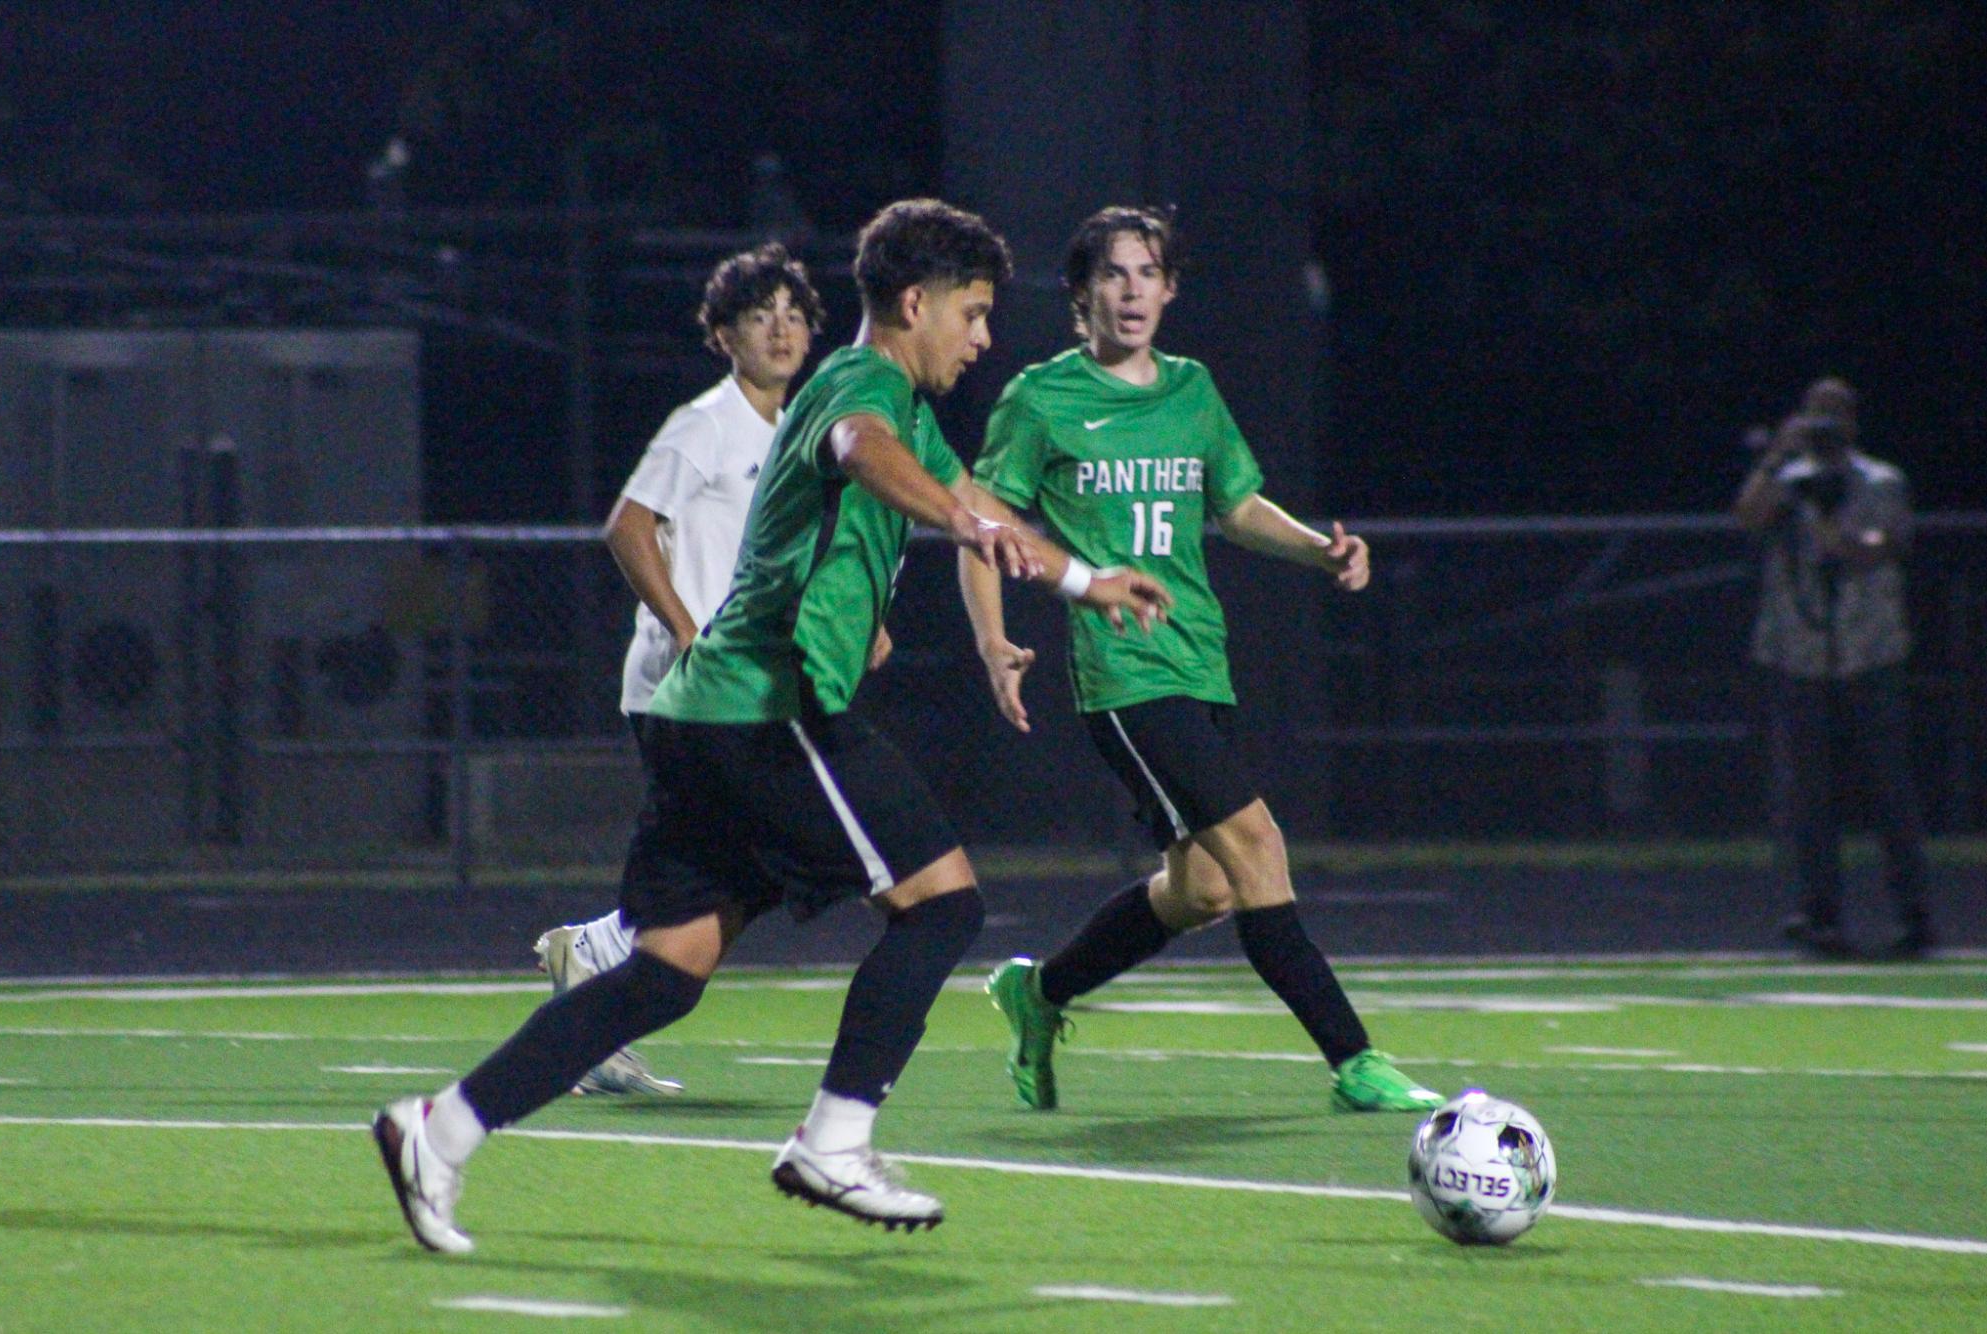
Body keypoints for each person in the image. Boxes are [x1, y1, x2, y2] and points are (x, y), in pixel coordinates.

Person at [373, 198, 1173, 1253]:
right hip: (769, 705)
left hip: (708, 715)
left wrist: (1076, 575)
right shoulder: (858, 384)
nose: (982, 338)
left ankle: (440, 1130)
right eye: (972, 314)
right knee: (943, 905)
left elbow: (967, 488)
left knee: (664, 970)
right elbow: (864, 451)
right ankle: (834, 1141)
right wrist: (951, 517)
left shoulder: (900, 401)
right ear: (913, 303)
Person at [959, 205, 1441, 1116]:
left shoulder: (1191, 390)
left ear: (1171, 289)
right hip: (1123, 673)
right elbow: (981, 523)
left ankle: (1042, 991)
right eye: (1112, 274)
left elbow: (1238, 503)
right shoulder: (1041, 399)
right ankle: (1353, 1060)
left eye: (1148, 273)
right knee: (1259, 846)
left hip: (1198, 660)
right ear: (1080, 293)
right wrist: (993, 639)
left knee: (1205, 888)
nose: (1131, 290)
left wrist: (1318, 550)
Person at [532, 242, 826, 1098]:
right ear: (723, 333)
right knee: (762, 851)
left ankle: (601, 969)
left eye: (793, 314)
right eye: (758, 314)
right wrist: (686, 627)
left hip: (744, 690)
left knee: (743, 862)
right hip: (682, 688)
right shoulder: (706, 422)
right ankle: (603, 958)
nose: (779, 329)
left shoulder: (793, 433)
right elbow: (629, 526)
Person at [1734, 376, 1932, 960]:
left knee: (1888, 788)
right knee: (1808, 797)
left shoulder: (1880, 481)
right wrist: (1778, 459)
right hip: (1801, 654)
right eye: (1815, 416)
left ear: (1853, 423)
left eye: (1834, 418)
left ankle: (1912, 913)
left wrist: (1827, 521)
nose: (1825, 428)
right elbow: (1747, 515)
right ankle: (1818, 914)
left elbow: (1875, 546)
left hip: (1868, 652)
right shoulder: (1787, 480)